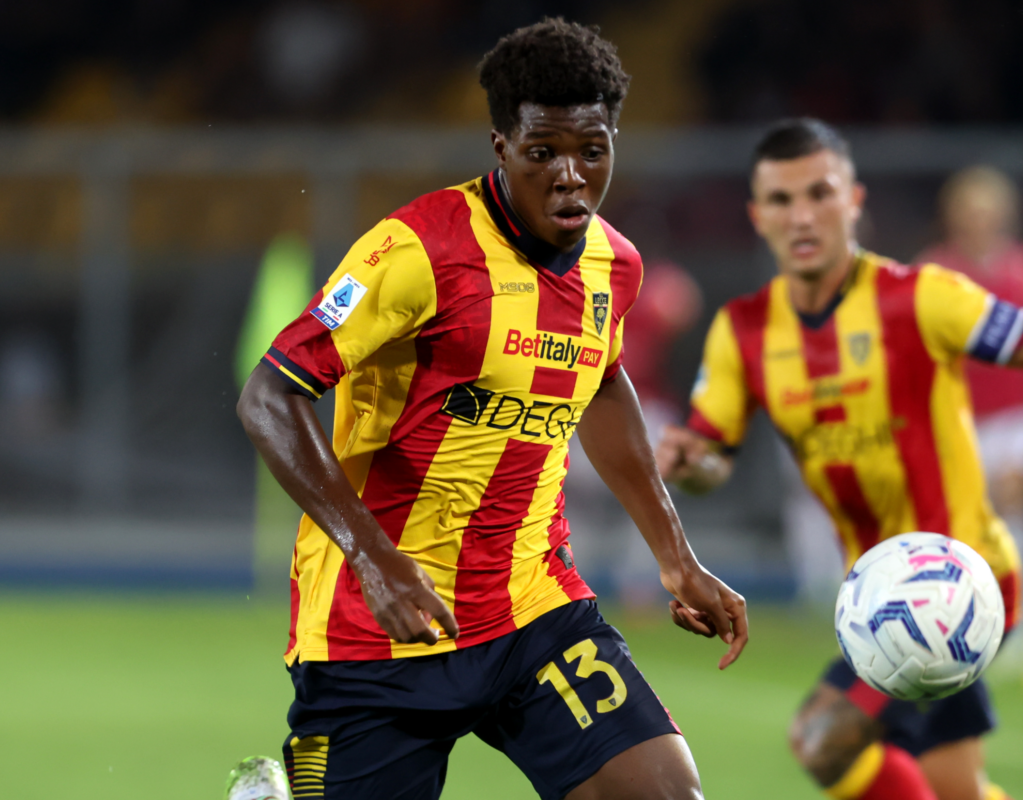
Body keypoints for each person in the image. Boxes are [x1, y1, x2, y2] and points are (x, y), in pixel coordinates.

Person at [237, 18, 747, 800]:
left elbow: (603, 382)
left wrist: (675, 556)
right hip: (376, 627)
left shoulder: (617, 266)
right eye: (544, 152)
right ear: (500, 146)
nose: (571, 176)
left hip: (532, 612)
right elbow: (269, 394)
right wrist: (374, 558)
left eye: (593, 150)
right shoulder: (415, 252)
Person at [656, 118, 1023, 800]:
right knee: (952, 783)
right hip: (875, 594)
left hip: (959, 576)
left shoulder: (918, 296)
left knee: (825, 737)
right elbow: (712, 459)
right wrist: (691, 464)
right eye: (782, 200)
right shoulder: (743, 331)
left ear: (854, 201)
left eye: (820, 192)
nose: (802, 215)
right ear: (757, 215)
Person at [918, 168, 1023, 531]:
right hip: (958, 412)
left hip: (1016, 412)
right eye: (970, 210)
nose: (979, 220)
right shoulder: (932, 270)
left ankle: (1015, 586)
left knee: (1013, 512)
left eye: (987, 210)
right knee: (960, 516)